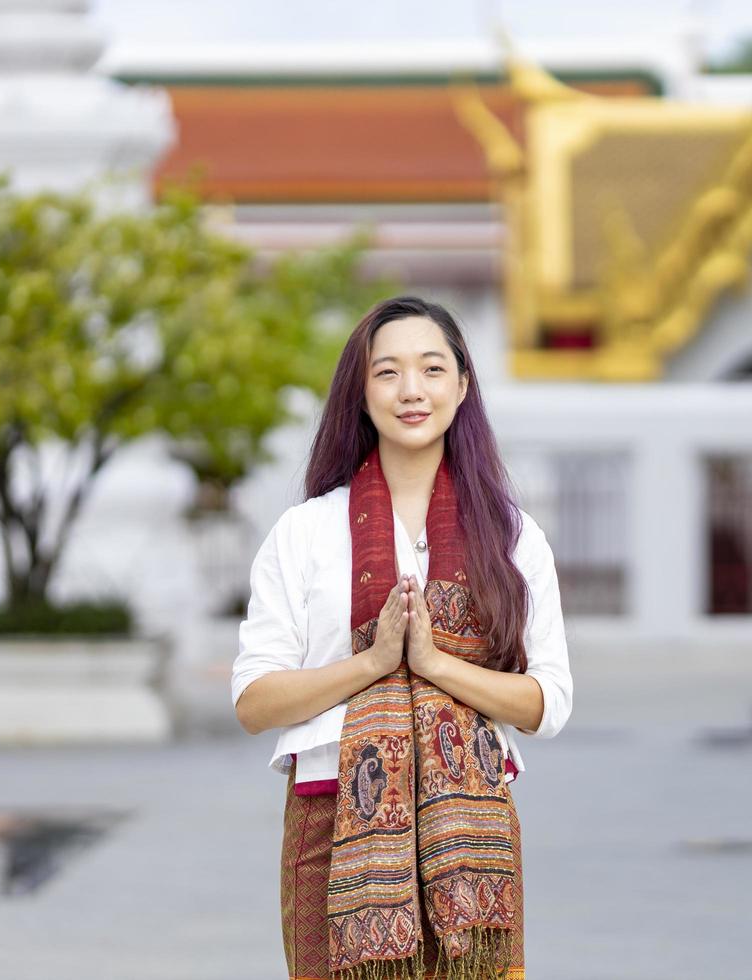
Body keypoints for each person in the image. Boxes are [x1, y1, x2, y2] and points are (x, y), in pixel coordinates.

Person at [231, 296, 573, 980]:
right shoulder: (304, 534)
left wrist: (435, 665)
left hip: (471, 837)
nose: (411, 390)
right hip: (331, 820)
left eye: (431, 368)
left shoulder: (510, 536)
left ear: (463, 384)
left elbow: (548, 704)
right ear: (361, 393)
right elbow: (255, 702)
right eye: (387, 372)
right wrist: (376, 663)